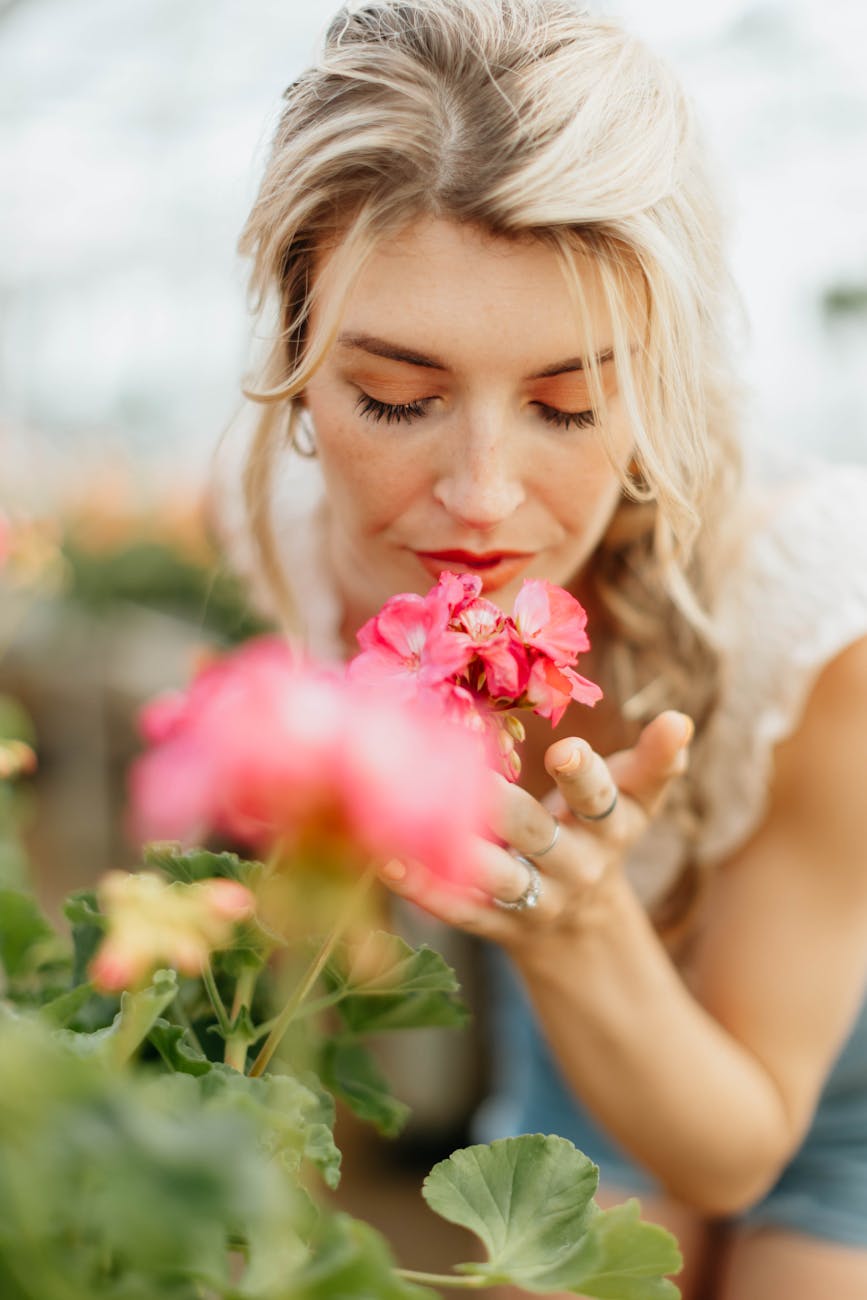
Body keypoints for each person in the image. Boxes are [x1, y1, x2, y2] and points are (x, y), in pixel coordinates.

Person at [222, 2, 867, 1296]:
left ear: (663, 388)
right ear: (297, 354)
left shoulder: (818, 603)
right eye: (396, 398)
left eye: (570, 406)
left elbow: (740, 1150)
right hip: (585, 1025)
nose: (479, 495)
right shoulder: (302, 546)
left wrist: (576, 929)